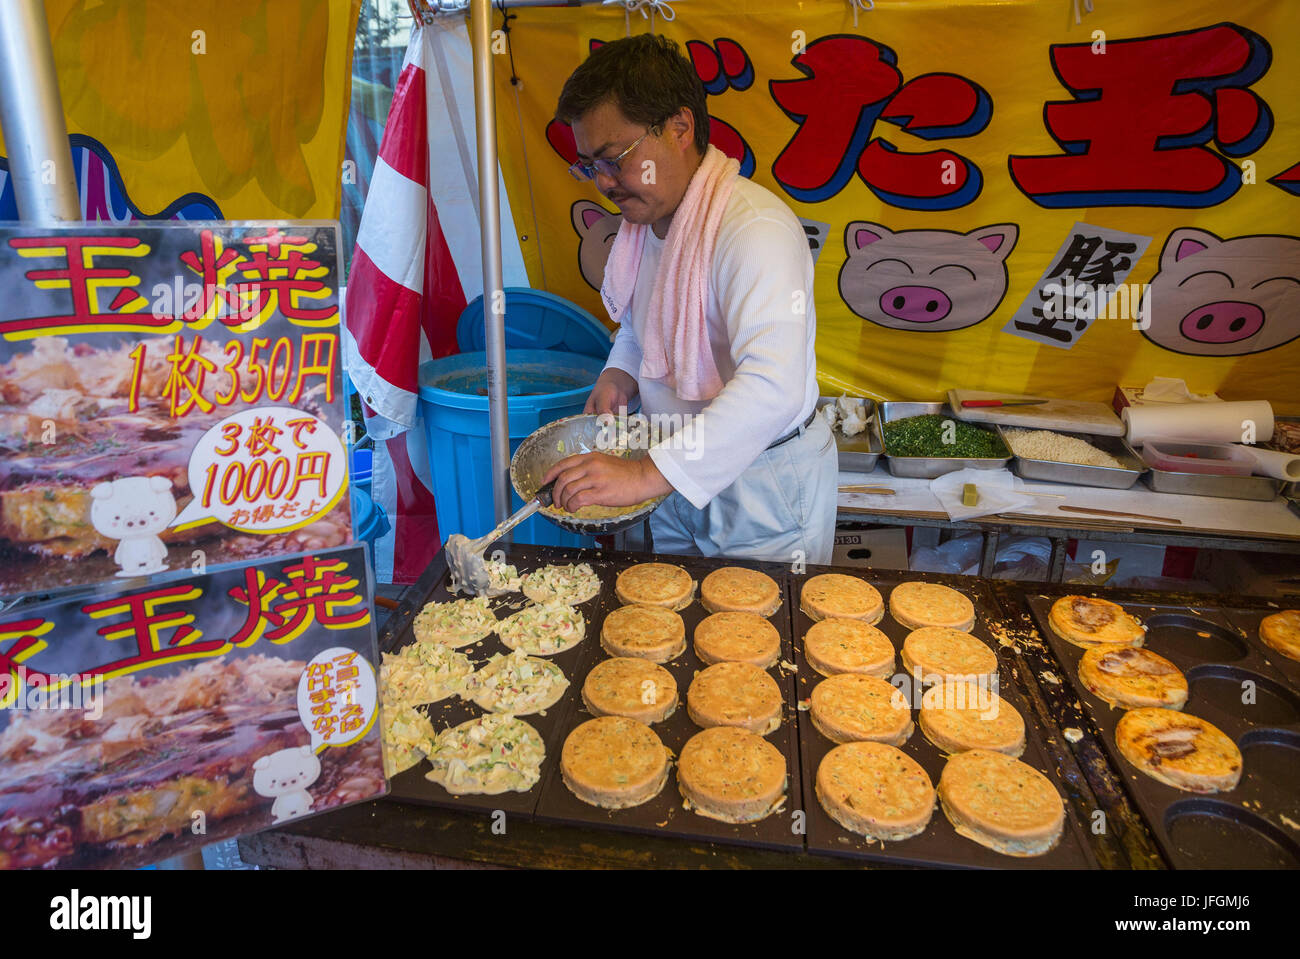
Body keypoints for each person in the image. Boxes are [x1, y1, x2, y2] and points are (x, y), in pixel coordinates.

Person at [541, 34, 836, 565]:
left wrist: (644, 474)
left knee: (759, 640)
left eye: (614, 159)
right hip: (673, 459)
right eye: (589, 166)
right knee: (672, 626)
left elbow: (775, 386)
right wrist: (619, 374)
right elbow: (640, 329)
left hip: (760, 483)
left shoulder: (754, 230)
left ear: (679, 127)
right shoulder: (647, 225)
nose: (603, 182)